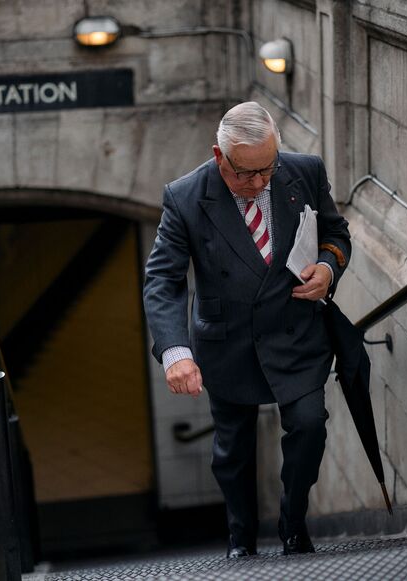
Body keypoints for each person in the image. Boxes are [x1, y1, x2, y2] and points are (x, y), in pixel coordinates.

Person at [143, 101, 351, 557]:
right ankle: (241, 539)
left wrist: (327, 268)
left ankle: (293, 525)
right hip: (227, 341)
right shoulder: (185, 196)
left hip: (295, 333)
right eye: (245, 174)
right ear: (220, 157)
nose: (258, 184)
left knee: (310, 425)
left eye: (268, 170)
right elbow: (163, 279)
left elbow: (337, 234)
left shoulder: (304, 172)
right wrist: (176, 351)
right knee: (232, 452)